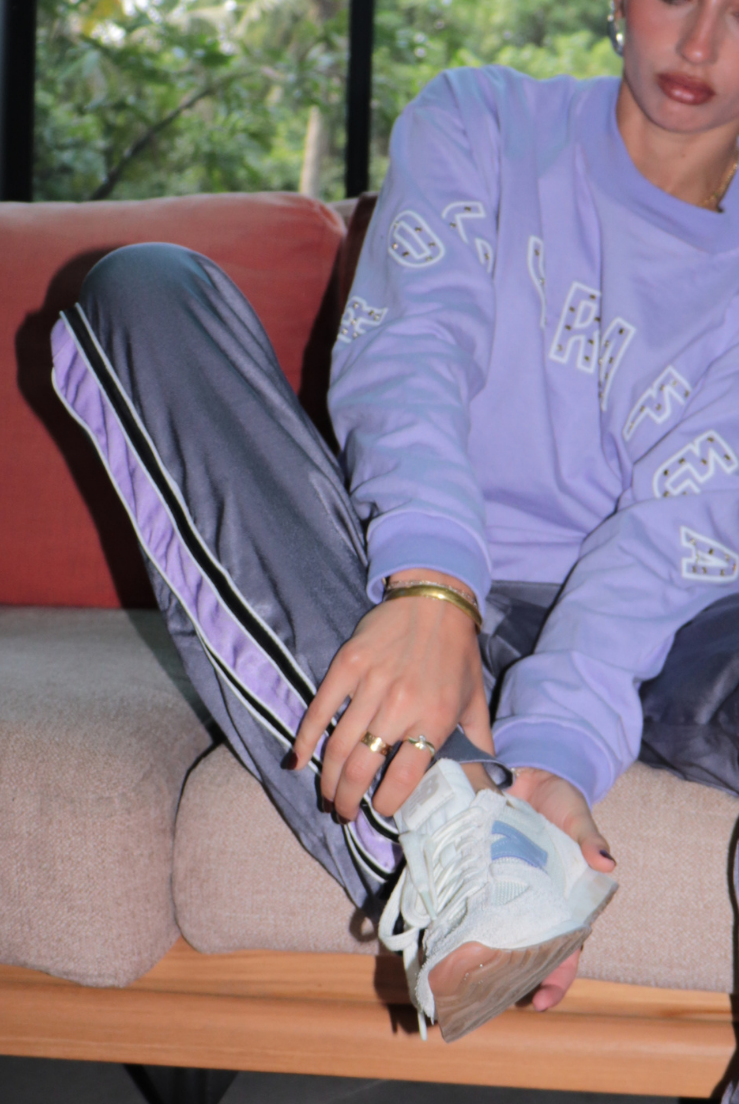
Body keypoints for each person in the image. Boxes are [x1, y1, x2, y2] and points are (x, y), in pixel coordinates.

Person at [50, 0, 739, 1042]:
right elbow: (411, 354)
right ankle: (449, 819)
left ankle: (467, 830)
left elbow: (671, 537)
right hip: (390, 581)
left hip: (663, 632)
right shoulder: (481, 120)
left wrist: (554, 751)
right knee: (142, 289)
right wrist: (429, 584)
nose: (699, 41)